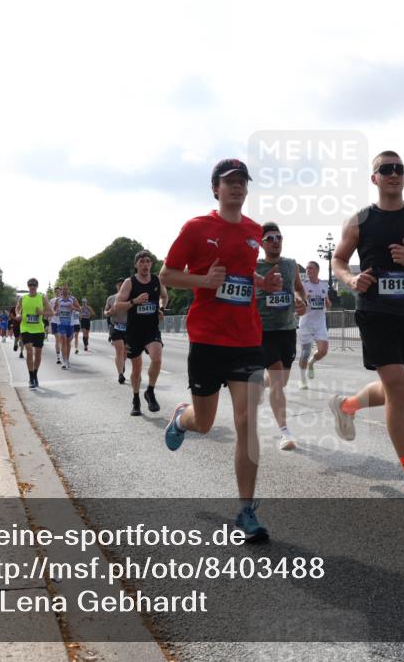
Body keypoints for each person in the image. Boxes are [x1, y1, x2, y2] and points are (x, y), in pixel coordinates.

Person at [159, 158, 283, 540]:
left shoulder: (254, 230)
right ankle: (182, 419)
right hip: (208, 338)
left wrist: (262, 284)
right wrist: (202, 280)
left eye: (242, 181)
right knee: (206, 423)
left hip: (246, 338)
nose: (237, 186)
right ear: (216, 188)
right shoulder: (197, 227)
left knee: (246, 421)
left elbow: (242, 273)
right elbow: (167, 275)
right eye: (229, 181)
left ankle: (246, 510)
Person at [326, 150, 404, 513]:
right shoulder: (359, 220)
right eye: (386, 169)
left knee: (397, 388)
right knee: (398, 389)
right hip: (375, 313)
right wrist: (351, 279)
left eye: (399, 169)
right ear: (374, 178)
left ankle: (346, 406)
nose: (394, 174)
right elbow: (338, 259)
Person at [255, 222, 307, 450]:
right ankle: (285, 432)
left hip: (287, 329)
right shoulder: (255, 266)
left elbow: (299, 288)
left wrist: (301, 300)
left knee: (281, 381)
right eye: (270, 238)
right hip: (264, 331)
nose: (276, 241)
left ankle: (260, 384)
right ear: (261, 243)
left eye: (279, 237)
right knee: (277, 379)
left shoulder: (290, 264)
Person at [114, 251, 168, 416]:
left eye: (148, 261)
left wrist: (161, 308)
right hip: (134, 331)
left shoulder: (157, 280)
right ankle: (136, 399)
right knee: (136, 368)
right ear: (136, 264)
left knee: (157, 359)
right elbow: (117, 305)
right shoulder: (129, 283)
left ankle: (150, 391)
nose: (146, 264)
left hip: (151, 329)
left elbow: (164, 296)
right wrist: (134, 301)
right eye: (142, 261)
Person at [297, 261, 331, 390]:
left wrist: (328, 303)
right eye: (307, 269)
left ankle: (311, 363)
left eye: (310, 268)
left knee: (323, 351)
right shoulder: (303, 285)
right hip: (306, 323)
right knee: (305, 353)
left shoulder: (324, 285)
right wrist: (304, 298)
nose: (308, 270)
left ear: (317, 270)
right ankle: (302, 379)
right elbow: (297, 298)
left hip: (320, 323)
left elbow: (327, 303)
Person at [16, 279, 53, 388]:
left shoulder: (42, 298)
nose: (32, 287)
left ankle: (35, 374)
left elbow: (51, 312)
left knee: (38, 354)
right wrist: (18, 314)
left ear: (37, 286)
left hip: (38, 329)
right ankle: (31, 377)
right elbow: (17, 308)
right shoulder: (23, 298)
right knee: (29, 351)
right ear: (28, 286)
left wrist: (41, 312)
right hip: (26, 328)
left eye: (34, 285)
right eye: (30, 285)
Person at [104, 278, 129, 384]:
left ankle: (122, 364)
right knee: (119, 350)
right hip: (115, 326)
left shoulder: (130, 297)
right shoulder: (111, 298)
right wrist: (108, 312)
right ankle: (120, 374)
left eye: (123, 284)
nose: (121, 286)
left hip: (128, 327)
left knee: (125, 352)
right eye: (119, 285)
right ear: (117, 286)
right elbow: (105, 311)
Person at [54, 285, 81, 370]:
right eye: (63, 289)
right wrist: (56, 312)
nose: (64, 290)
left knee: (68, 342)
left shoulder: (73, 299)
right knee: (63, 341)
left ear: (68, 290)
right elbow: (54, 310)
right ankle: (64, 362)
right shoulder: (58, 300)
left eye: (66, 289)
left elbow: (80, 309)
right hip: (61, 323)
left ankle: (67, 359)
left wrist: (73, 307)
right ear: (61, 291)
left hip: (70, 324)